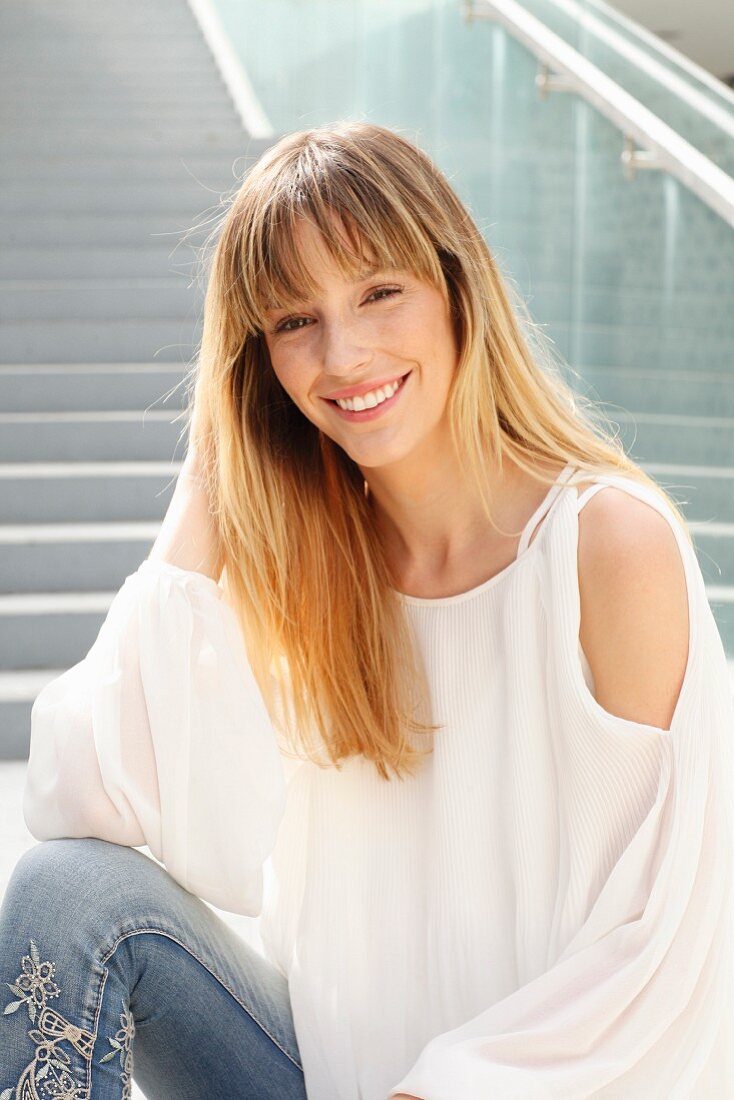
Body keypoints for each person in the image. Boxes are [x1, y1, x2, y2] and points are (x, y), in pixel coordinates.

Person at [1, 121, 733, 1099]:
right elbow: (86, 798)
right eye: (293, 319)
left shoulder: (605, 545)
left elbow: (669, 946)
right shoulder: (305, 569)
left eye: (378, 292)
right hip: (322, 1073)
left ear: (453, 287)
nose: (342, 354)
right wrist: (203, 485)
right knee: (69, 892)